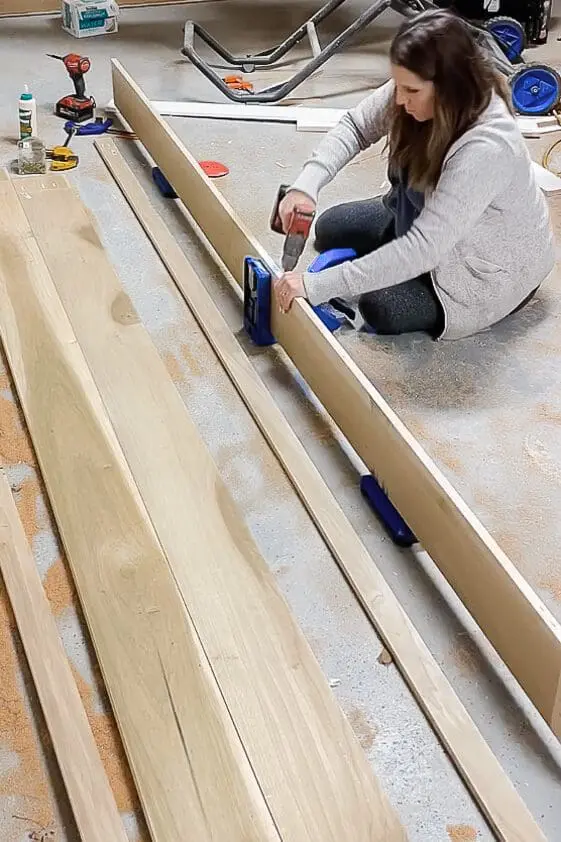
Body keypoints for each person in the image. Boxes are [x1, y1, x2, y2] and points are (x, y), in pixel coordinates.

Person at [272, 9, 555, 340]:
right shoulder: (418, 84)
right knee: (330, 227)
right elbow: (357, 126)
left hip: (484, 267)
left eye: (410, 91)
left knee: (381, 307)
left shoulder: (488, 146)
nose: (398, 98)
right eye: (398, 85)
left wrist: (316, 285)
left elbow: (424, 249)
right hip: (426, 217)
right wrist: (306, 187)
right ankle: (400, 228)